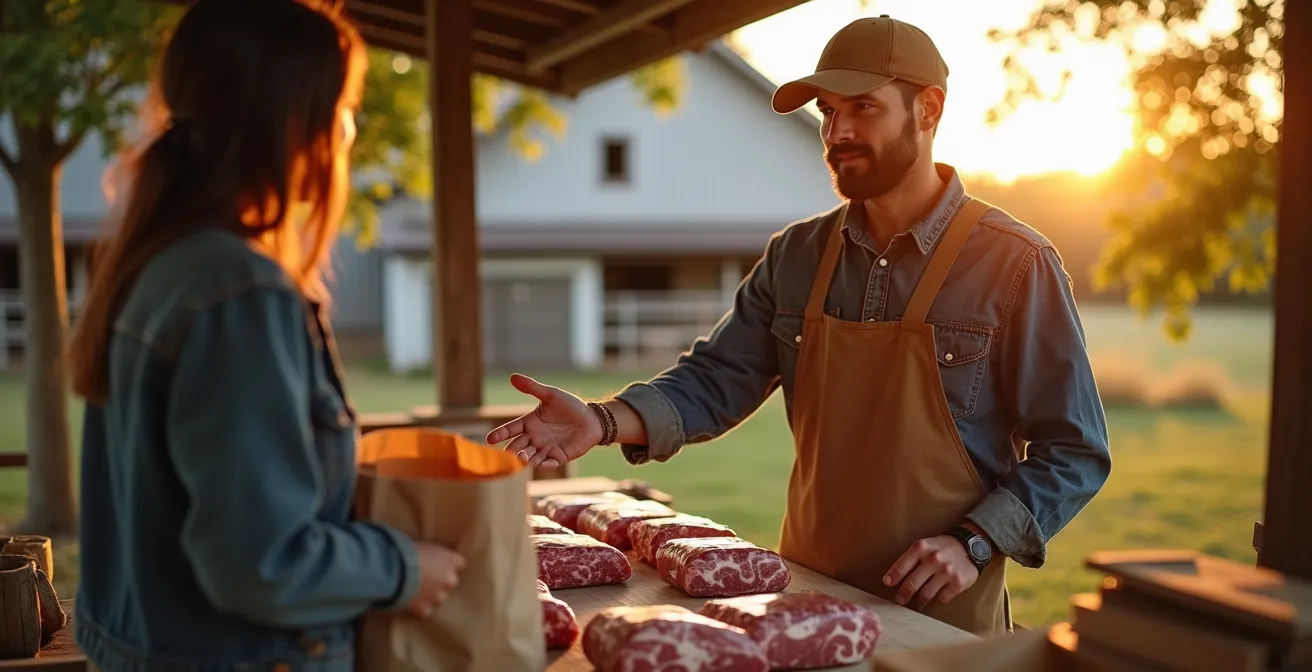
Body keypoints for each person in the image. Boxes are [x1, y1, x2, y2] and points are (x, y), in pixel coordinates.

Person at [488, 15, 1111, 636]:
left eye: (861, 107)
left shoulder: (1015, 263)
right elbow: (715, 378)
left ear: (928, 109)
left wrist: (974, 543)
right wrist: (600, 421)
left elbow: (1074, 449)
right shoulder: (797, 256)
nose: (837, 131)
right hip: (808, 605)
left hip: (944, 621)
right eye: (827, 110)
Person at [66, 1, 463, 669]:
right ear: (292, 120)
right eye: (343, 107)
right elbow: (259, 562)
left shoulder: (154, 263)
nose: (348, 130)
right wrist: (402, 566)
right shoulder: (239, 293)